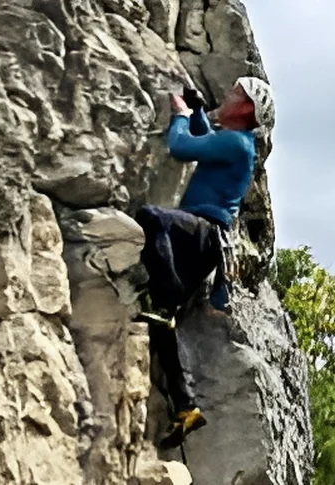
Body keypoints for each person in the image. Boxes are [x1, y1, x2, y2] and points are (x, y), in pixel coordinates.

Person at [133, 76, 275, 449]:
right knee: (165, 324)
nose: (227, 95)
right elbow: (205, 141)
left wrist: (180, 115)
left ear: (246, 108)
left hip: (203, 233)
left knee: (151, 217)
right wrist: (197, 110)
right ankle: (186, 407)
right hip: (207, 242)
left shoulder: (236, 142)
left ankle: (168, 296)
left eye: (235, 93)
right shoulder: (235, 142)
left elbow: (183, 147)